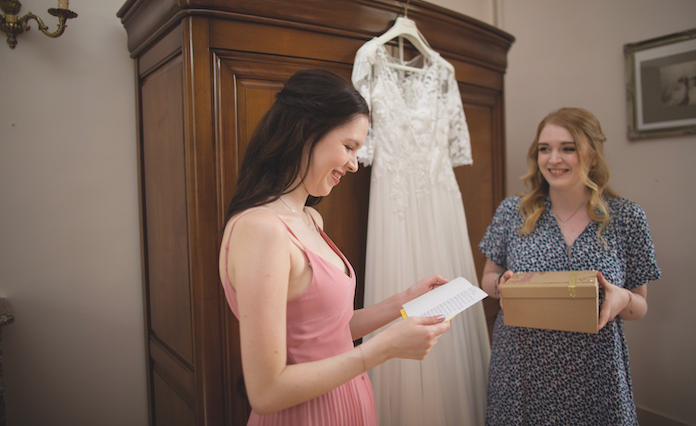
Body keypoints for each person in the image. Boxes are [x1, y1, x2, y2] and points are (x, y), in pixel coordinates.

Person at [218, 69, 451, 425]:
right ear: (305, 131)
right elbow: (266, 392)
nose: (354, 164)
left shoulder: (311, 218)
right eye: (348, 147)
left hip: (349, 399)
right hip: (305, 414)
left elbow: (325, 332)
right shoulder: (261, 229)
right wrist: (383, 348)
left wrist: (403, 301)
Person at [479, 107, 661, 425]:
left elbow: (639, 305)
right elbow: (488, 278)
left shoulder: (627, 218)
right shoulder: (512, 212)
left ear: (591, 155)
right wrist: (502, 285)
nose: (553, 159)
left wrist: (622, 299)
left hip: (596, 373)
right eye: (544, 149)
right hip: (522, 370)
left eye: (568, 148)